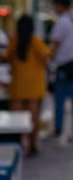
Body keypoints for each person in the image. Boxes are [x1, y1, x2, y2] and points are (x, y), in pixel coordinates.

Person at [3, 15, 50, 154]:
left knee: (16, 123)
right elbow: (46, 58)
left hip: (17, 88)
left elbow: (5, 58)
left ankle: (18, 146)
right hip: (35, 88)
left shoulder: (14, 43)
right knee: (33, 121)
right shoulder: (36, 42)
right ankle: (32, 145)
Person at [49, 0, 73, 143]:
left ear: (60, 6)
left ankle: (58, 130)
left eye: (55, 6)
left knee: (59, 102)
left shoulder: (61, 23)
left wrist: (48, 60)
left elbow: (53, 46)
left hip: (64, 67)